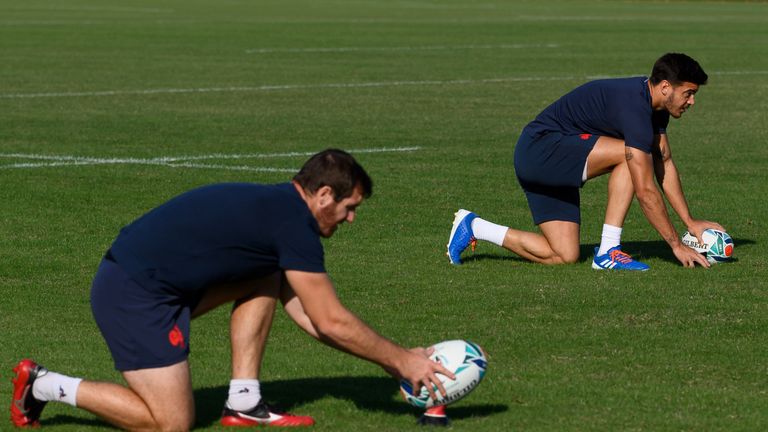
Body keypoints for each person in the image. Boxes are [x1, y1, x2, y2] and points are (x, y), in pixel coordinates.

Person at [11, 149, 453, 430]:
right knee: (170, 423)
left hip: (156, 281)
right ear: (322, 195)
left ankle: (244, 400)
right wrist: (401, 361)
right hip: (134, 294)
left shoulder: (281, 212)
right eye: (349, 207)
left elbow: (309, 317)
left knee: (267, 271)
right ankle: (45, 385)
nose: (350, 219)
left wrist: (393, 362)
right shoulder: (292, 226)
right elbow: (330, 320)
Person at [447, 53, 724, 270]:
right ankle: (608, 251)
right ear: (665, 87)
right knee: (633, 157)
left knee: (563, 255)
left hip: (552, 157)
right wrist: (675, 245)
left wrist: (690, 221)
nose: (691, 102)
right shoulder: (635, 108)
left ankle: (474, 226)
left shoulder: (656, 109)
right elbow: (645, 189)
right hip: (541, 150)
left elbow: (664, 159)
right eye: (689, 93)